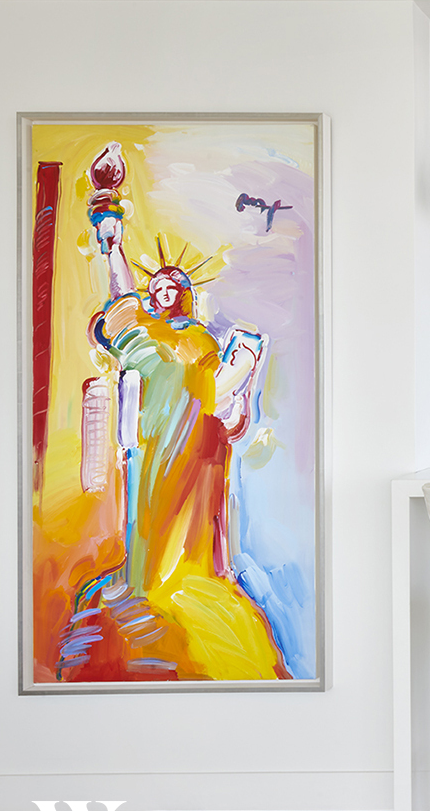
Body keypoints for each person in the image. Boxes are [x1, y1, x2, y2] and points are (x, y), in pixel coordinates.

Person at [58, 143, 286, 681]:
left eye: (174, 286)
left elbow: (229, 401)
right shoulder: (140, 332)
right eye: (157, 286)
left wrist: (242, 369)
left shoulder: (203, 341)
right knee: (150, 518)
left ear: (187, 295)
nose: (164, 291)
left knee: (194, 531)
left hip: (199, 449)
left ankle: (196, 581)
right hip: (151, 441)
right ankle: (149, 584)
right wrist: (109, 219)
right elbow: (119, 288)